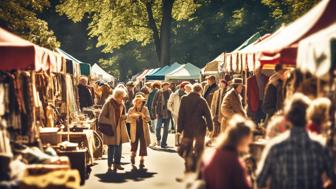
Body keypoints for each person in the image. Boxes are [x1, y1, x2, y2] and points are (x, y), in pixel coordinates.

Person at [256, 93, 336, 189]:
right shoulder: (319, 147)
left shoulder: (275, 148)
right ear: (308, 117)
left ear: (288, 117)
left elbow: (260, 181)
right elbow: (333, 178)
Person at [200, 115, 254, 189]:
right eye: (249, 137)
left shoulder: (216, 154)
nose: (250, 141)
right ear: (242, 138)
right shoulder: (234, 162)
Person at [177, 83, 213, 172]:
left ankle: (187, 164)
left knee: (188, 146)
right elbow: (208, 115)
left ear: (192, 89)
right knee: (199, 146)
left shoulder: (184, 99)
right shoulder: (202, 100)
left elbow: (181, 115)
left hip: (187, 126)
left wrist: (179, 129)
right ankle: (197, 164)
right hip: (200, 126)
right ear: (200, 90)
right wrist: (211, 128)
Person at [98, 88, 129, 172]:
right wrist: (111, 122)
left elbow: (123, 115)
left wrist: (124, 117)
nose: (123, 99)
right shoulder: (108, 103)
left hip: (119, 129)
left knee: (119, 147)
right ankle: (109, 166)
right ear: (117, 96)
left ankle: (117, 164)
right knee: (111, 148)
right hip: (111, 129)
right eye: (122, 97)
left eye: (123, 97)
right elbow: (101, 117)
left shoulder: (122, 104)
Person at [127, 95, 151, 168]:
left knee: (143, 145)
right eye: (137, 102)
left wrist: (143, 116)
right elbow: (128, 120)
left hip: (143, 129)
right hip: (134, 129)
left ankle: (142, 160)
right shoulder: (131, 109)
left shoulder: (145, 109)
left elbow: (148, 119)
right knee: (134, 143)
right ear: (135, 102)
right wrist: (133, 116)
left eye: (141, 102)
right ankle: (133, 155)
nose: (139, 103)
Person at [152, 82, 172, 148]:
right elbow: (154, 103)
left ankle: (163, 143)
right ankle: (158, 139)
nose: (167, 87)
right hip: (160, 113)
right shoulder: (158, 92)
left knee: (166, 129)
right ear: (162, 86)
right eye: (165, 86)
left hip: (168, 113)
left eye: (167, 86)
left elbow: (172, 102)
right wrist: (154, 113)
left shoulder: (170, 92)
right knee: (158, 128)